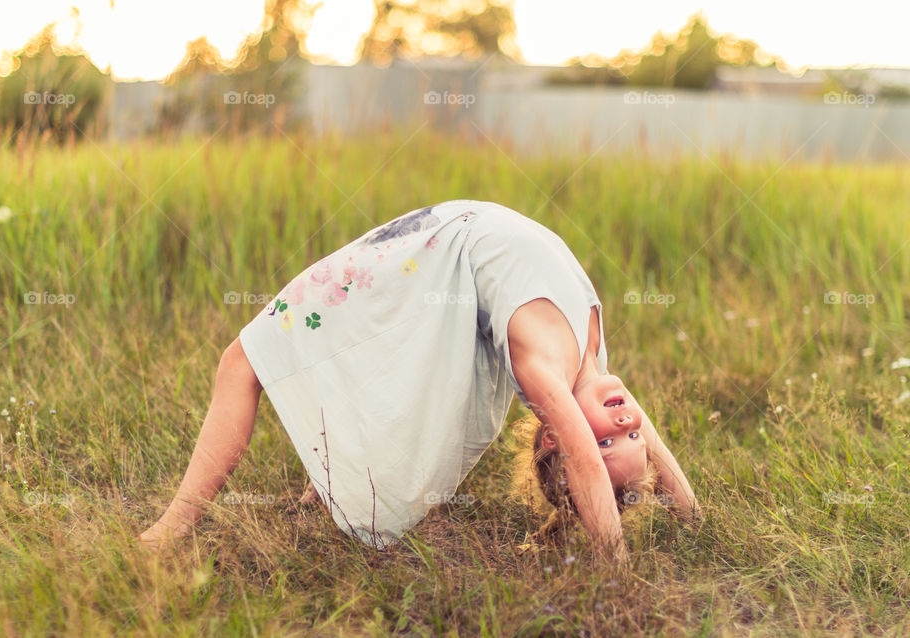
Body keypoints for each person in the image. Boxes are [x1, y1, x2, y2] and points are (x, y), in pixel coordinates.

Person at [138, 200, 701, 560]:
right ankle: (303, 496)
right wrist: (694, 516)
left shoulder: (546, 373)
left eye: (609, 440)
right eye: (629, 437)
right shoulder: (593, 366)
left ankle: (172, 529)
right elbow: (644, 440)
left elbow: (588, 465)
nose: (628, 422)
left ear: (559, 436)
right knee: (266, 358)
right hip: (440, 239)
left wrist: (616, 570)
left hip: (436, 258)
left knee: (243, 360)